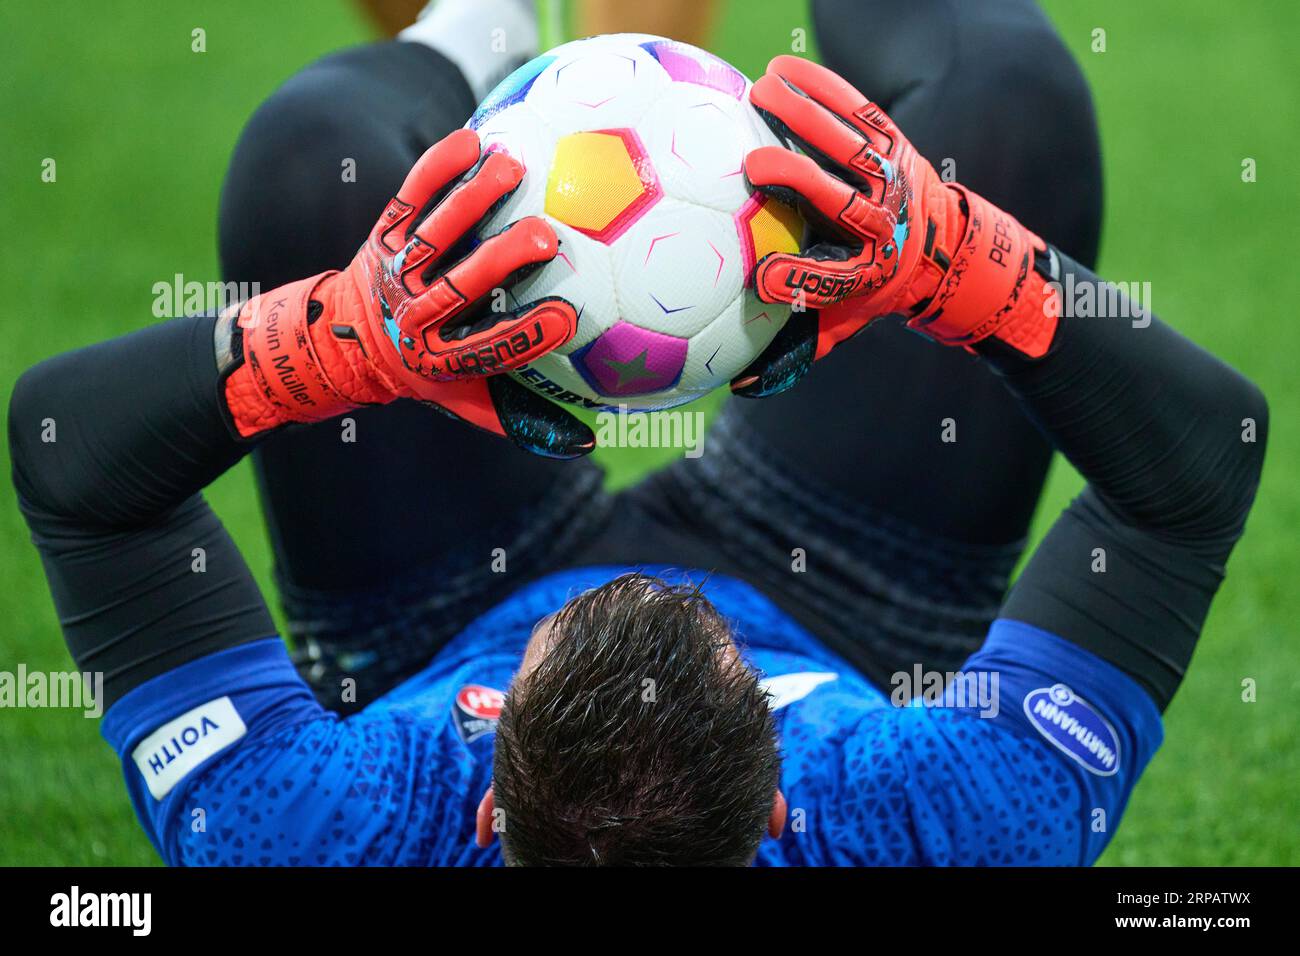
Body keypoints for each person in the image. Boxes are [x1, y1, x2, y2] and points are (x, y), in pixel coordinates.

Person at [10, 2, 1265, 865]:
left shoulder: (338, 826)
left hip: (432, 610)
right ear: (783, 795)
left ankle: (478, 24)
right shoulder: (919, 815)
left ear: (489, 796)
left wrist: (343, 333)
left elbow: (74, 454)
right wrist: (960, 260)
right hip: (842, 598)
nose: (643, 577)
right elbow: (1196, 471)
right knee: (1011, 111)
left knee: (308, 171)